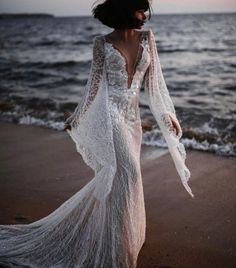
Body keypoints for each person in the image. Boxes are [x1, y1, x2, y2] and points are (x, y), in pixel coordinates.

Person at [0, 0, 194, 267]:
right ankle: (118, 248)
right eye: (139, 8)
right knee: (130, 174)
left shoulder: (148, 38)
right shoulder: (101, 43)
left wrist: (167, 115)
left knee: (121, 179)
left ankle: (122, 236)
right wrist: (78, 116)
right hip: (111, 116)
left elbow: (154, 84)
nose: (144, 14)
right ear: (125, 9)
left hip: (132, 119)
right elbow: (93, 86)